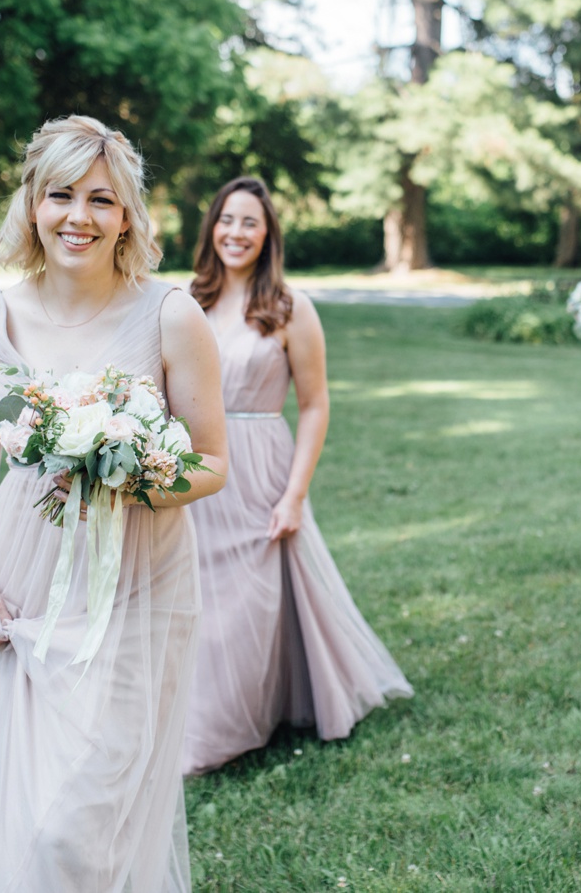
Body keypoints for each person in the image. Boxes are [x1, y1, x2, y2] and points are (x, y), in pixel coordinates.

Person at [0, 115, 228, 891]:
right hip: (21, 587)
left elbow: (210, 464)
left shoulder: (172, 316)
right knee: (26, 813)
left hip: (134, 591)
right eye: (61, 195)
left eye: (101, 200)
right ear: (32, 204)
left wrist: (132, 472)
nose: (80, 217)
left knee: (80, 824)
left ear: (128, 214)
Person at [181, 176, 412, 774]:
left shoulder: (289, 308)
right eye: (227, 219)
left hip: (260, 469)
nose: (236, 232)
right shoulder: (186, 302)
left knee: (250, 608)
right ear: (212, 227)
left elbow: (314, 405)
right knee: (196, 604)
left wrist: (295, 494)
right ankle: (196, 719)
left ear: (268, 234)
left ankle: (229, 731)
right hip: (194, 467)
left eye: (250, 223)